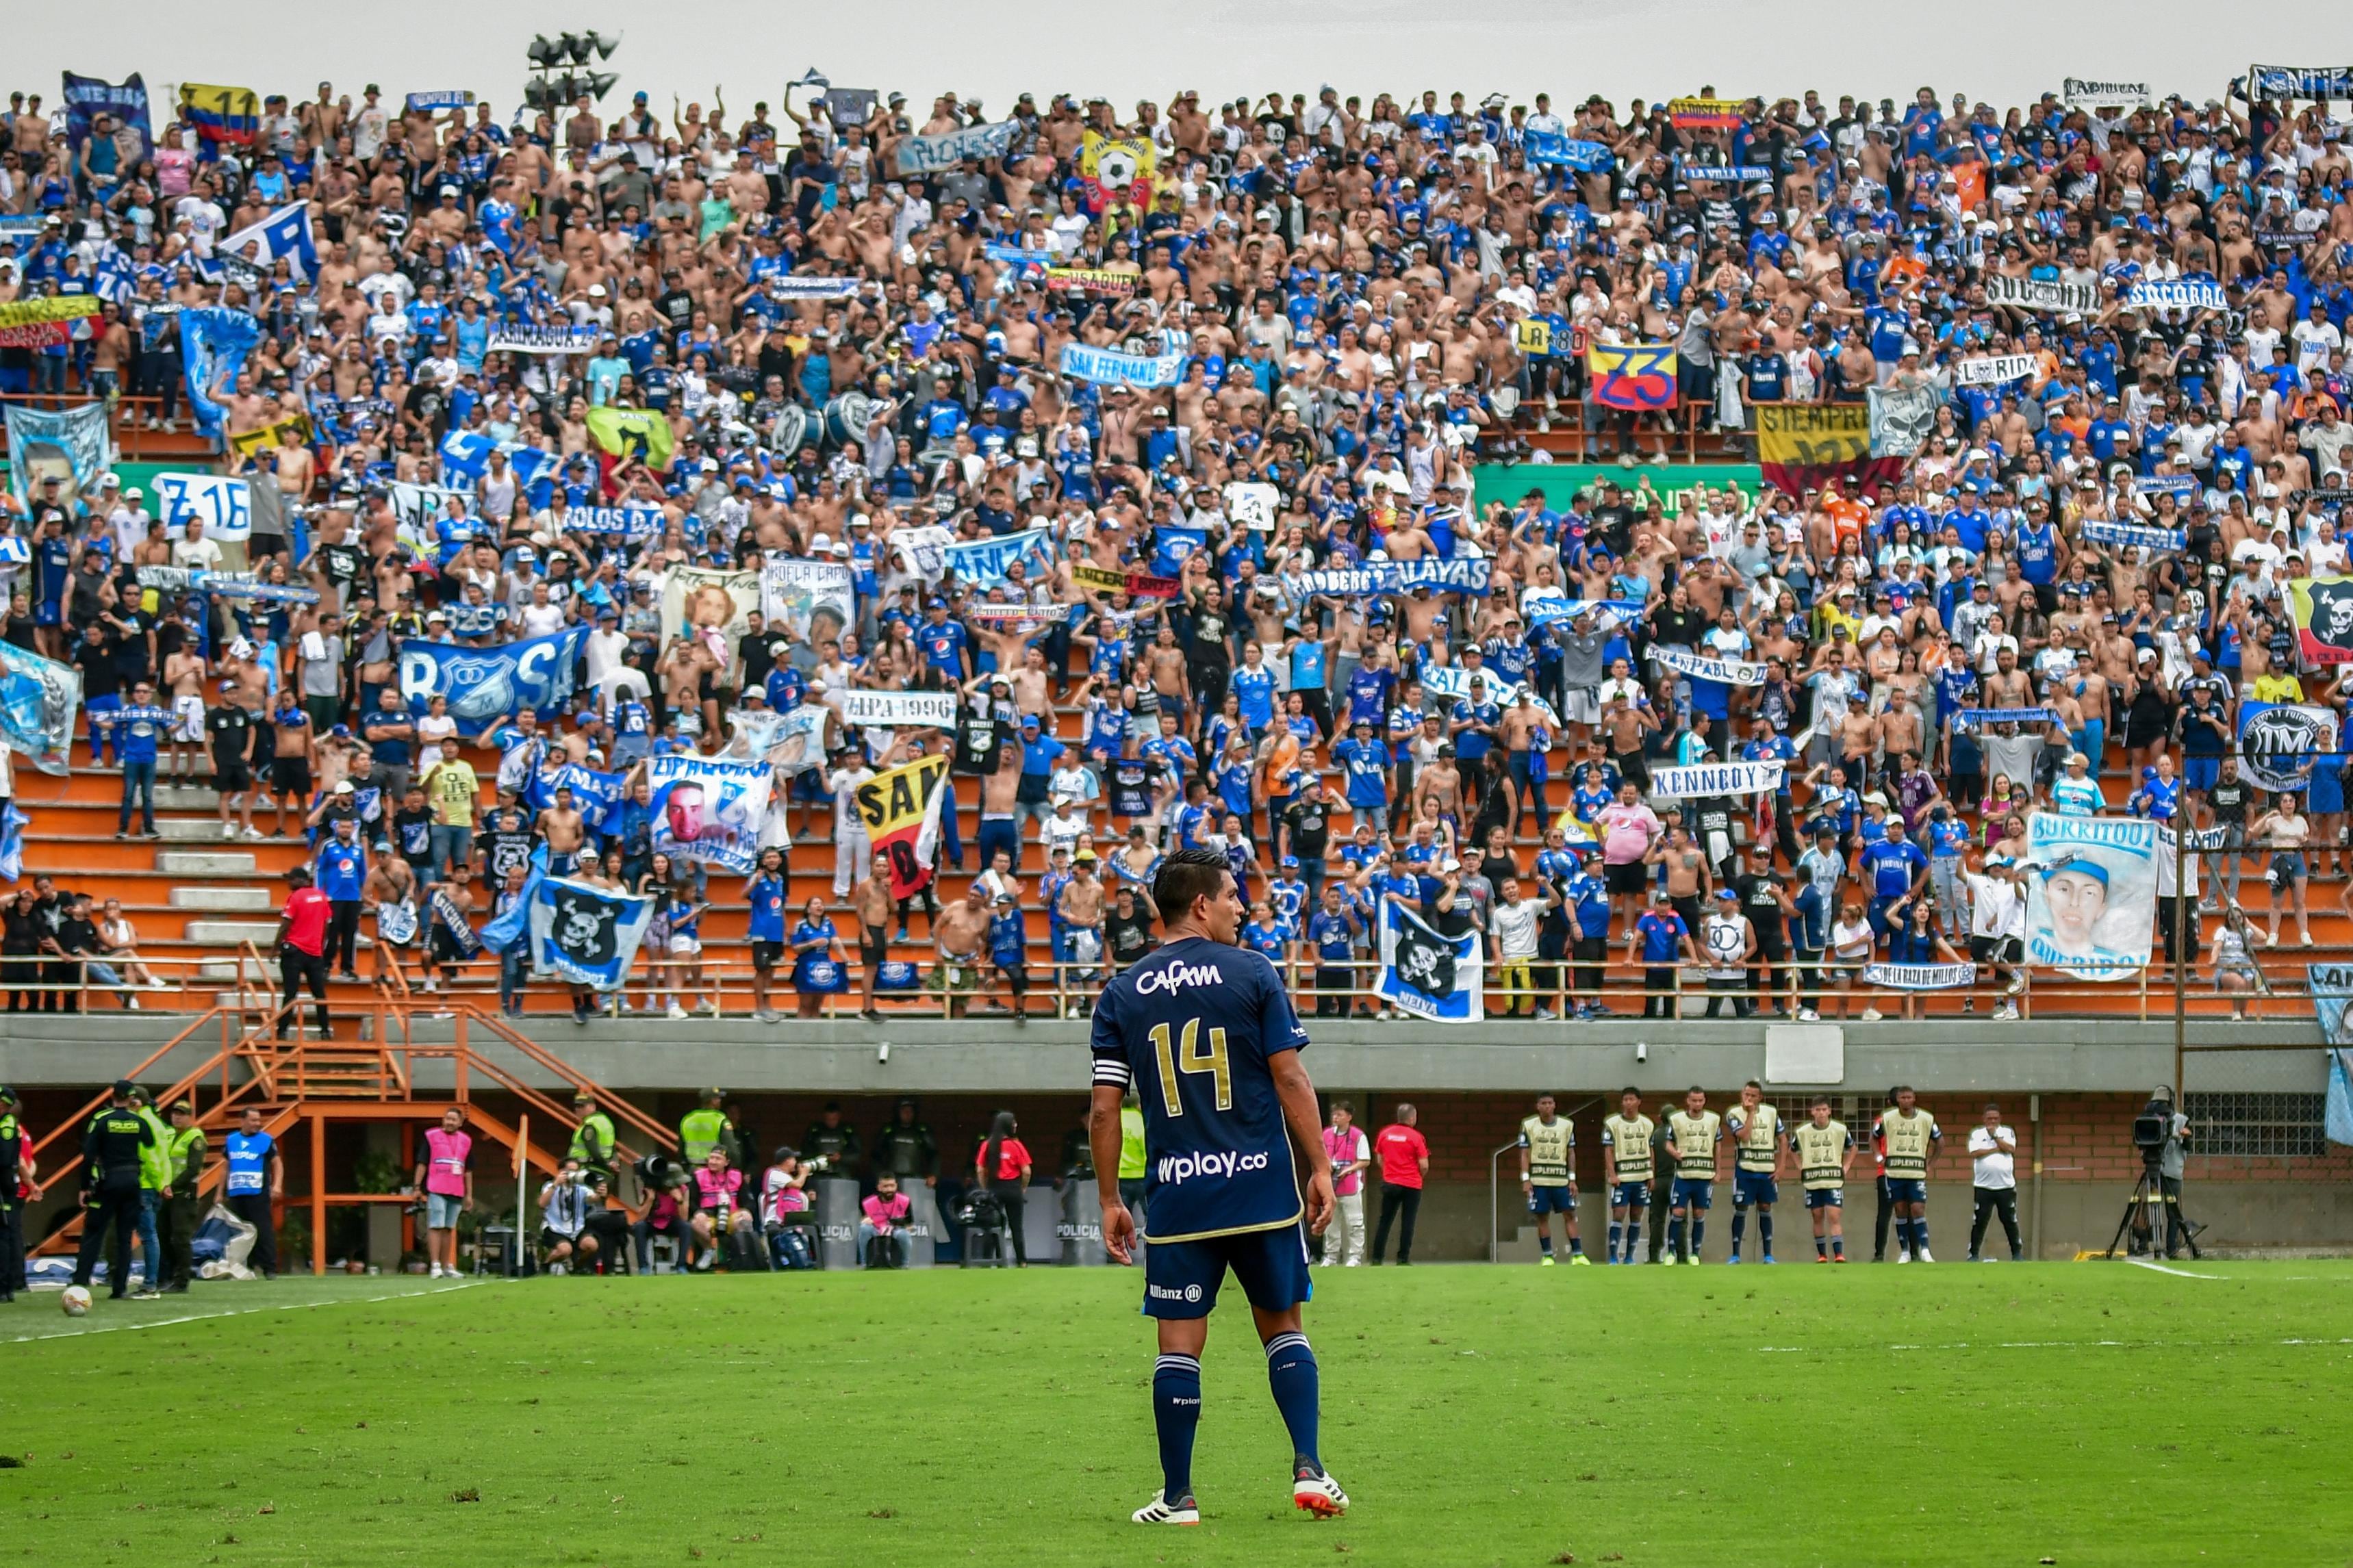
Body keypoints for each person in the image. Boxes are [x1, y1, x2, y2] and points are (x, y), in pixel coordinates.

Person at [1085, 847, 1347, 1526]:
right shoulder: (1253, 970)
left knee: (1178, 1344)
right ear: (1200, 903)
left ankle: (1177, 1496)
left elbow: (1104, 1107)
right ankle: (1309, 1469)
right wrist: (1319, 1164)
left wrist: (1111, 1197)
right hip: (1260, 1186)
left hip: (1179, 1197)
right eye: (1232, 895)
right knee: (1282, 1327)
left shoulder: (1121, 992)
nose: (1241, 906)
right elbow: (1290, 1076)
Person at [73, 1081, 155, 1300]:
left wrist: (83, 1187)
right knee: (124, 1236)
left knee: (93, 1233)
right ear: (131, 1099)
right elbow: (149, 1142)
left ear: (112, 1097)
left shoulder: (101, 1120)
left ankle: (80, 1283)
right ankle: (119, 1289)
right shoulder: (138, 1120)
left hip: (107, 1181)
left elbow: (88, 1156)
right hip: (132, 1182)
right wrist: (136, 1113)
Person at [1516, 1093, 1587, 1264]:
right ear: (1538, 1106)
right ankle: (1547, 1255)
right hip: (1539, 1180)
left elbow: (1571, 1153)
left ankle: (1578, 1254)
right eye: (1543, 1103)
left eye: (1550, 1103)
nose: (1547, 1106)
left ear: (1555, 1105)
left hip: (1561, 1179)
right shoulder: (1528, 1125)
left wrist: (1572, 1179)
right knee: (1542, 1217)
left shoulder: (1566, 1125)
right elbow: (1524, 1154)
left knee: (1570, 1214)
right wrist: (1526, 1179)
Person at [1878, 1085, 1942, 1263]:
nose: (1906, 1101)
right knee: (1900, 1210)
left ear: (1914, 1098)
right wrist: (1878, 1157)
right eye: (1902, 1098)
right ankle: (1905, 1251)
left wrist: (1931, 1163)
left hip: (1916, 1173)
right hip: (1895, 1172)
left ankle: (1925, 1249)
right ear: (1897, 1100)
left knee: (1917, 1208)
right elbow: (1873, 1137)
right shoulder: (1887, 1118)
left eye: (1909, 1097)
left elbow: (1940, 1141)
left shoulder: (1926, 1118)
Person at [1722, 1079, 1782, 1264]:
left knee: (1765, 1208)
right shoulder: (1733, 1113)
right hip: (1745, 1170)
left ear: (1760, 1098)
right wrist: (1750, 1114)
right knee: (1741, 1209)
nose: (1748, 1098)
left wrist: (1781, 1167)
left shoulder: (1771, 1112)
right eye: (1746, 1094)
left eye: (1753, 1096)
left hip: (1767, 1170)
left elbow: (1783, 1138)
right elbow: (1745, 1136)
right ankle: (1735, 1255)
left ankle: (1768, 1255)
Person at [1789, 1094, 1855, 1261]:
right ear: (1812, 1112)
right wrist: (1800, 1166)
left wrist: (1846, 1166)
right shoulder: (1802, 1131)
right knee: (1817, 1216)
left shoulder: (1840, 1129)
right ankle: (1822, 1255)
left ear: (1829, 1111)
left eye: (1824, 1110)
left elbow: (1853, 1149)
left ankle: (1839, 1254)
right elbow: (1792, 1150)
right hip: (1813, 1180)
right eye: (1818, 1110)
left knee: (1834, 1216)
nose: (1821, 1113)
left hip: (1833, 1179)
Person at [2134, 1085, 2196, 1259]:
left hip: (2172, 1172)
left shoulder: (2181, 1120)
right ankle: (2145, 1245)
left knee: (2172, 1212)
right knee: (2148, 1209)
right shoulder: (2148, 1118)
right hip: (2154, 1169)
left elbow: (2188, 1147)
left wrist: (2186, 1136)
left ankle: (2171, 1248)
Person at [1663, 1086, 1723, 1265]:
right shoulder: (1676, 1119)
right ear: (1687, 1101)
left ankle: (1695, 1254)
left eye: (1701, 1100)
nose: (1697, 1103)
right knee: (1678, 1212)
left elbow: (1718, 1146)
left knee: (1699, 1213)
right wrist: (1675, 1153)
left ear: (1704, 1101)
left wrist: (1718, 1171)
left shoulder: (1713, 1119)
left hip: (1704, 1175)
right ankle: (1671, 1253)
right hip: (1683, 1174)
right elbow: (1667, 1143)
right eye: (1694, 1100)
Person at [274, 865, 333, 1041]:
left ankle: (282, 1031)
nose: (289, 883)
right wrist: (320, 945)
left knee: (290, 993)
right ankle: (324, 1030)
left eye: (291, 879)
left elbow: (286, 924)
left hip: (294, 951)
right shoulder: (321, 896)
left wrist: (275, 948)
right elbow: (327, 924)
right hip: (314, 953)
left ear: (302, 880)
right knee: (320, 994)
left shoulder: (295, 897)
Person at [413, 1107, 473, 1279]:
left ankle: (447, 1265)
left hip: (456, 1189)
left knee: (449, 1228)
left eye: (454, 1120)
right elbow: (422, 1163)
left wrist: (469, 1194)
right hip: (436, 1187)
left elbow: (468, 1169)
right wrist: (417, 1187)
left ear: (460, 1123)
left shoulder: (466, 1141)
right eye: (447, 1119)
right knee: (436, 1225)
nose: (449, 1122)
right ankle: (435, 1265)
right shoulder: (431, 1136)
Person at [223, 1105, 281, 1278]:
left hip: (258, 1192)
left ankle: (269, 1268)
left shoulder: (266, 1140)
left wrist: (277, 1185)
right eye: (253, 1120)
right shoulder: (231, 1140)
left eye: (258, 1120)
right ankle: (243, 1266)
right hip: (236, 1192)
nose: (257, 1123)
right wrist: (220, 1193)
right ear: (242, 1121)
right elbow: (225, 1166)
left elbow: (277, 1163)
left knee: (263, 1229)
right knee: (240, 1231)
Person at [1599, 1088, 1653, 1265]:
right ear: (1622, 1103)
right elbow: (1608, 1150)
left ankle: (1630, 1256)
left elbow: (1651, 1150)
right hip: (1622, 1178)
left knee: (1637, 1216)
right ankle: (1614, 1255)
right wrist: (1612, 1174)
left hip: (1641, 1177)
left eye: (1632, 1099)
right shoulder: (1612, 1123)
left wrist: (1651, 1174)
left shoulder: (1647, 1123)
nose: (1629, 1103)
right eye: (1626, 1100)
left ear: (1639, 1102)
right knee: (1619, 1214)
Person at [1370, 1103, 1427, 1267]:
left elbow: (1380, 1159)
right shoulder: (1416, 1137)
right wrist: (1418, 1175)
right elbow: (1424, 1164)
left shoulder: (1385, 1134)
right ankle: (1403, 1258)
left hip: (1390, 1182)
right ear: (1411, 1118)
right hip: (1412, 1184)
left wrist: (1389, 1172)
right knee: (1408, 1222)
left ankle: (1377, 1258)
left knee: (1384, 1221)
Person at [1966, 1103, 2024, 1262]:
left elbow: (2010, 1149)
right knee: (1980, 1220)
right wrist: (1996, 1148)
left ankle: (2017, 1254)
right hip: (1983, 1186)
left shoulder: (2007, 1131)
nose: (1993, 1121)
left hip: (2005, 1186)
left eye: (1996, 1119)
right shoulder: (1977, 1134)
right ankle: (1974, 1254)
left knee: (2010, 1220)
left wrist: (1996, 1137)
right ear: (1984, 1119)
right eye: (1990, 1118)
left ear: (2000, 1119)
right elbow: (1976, 1152)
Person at [975, 1110, 1033, 1266]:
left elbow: (980, 1169)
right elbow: (1026, 1171)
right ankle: (1022, 1261)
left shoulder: (987, 1145)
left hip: (994, 1189)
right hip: (1013, 1189)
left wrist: (985, 1188)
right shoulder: (1016, 1145)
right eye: (1013, 1122)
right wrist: (1022, 1188)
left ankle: (991, 1260)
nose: (1016, 1125)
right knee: (1016, 1227)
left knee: (993, 1225)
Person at [1319, 1101, 1369, 1267]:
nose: (1335, 1118)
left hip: (1351, 1186)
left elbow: (1365, 1160)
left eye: (1339, 1115)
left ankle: (1355, 1256)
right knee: (1330, 1223)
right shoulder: (1326, 1135)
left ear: (1349, 1117)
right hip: (1330, 1187)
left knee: (1354, 1223)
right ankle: (1331, 1256)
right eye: (1334, 1114)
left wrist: (1348, 1170)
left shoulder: (1358, 1136)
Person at [0, 1086, 35, 1303]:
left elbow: (6, 1160)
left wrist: (29, 1183)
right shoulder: (16, 1128)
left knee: (5, 1236)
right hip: (12, 1186)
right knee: (10, 1235)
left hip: (5, 1188)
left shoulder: (7, 1127)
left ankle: (6, 1286)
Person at [539, 1159, 598, 1274]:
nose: (574, 1174)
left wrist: (600, 1193)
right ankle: (546, 1264)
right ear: (562, 1172)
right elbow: (542, 1204)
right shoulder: (550, 1186)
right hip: (555, 1227)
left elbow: (593, 1198)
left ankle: (578, 1266)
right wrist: (556, 1184)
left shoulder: (581, 1188)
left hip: (577, 1228)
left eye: (576, 1171)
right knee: (565, 1250)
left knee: (592, 1245)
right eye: (570, 1171)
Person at [859, 1172, 914, 1268]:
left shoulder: (905, 1200)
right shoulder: (868, 1202)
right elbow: (864, 1219)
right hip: (876, 1228)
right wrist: (865, 1220)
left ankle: (905, 1264)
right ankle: (865, 1263)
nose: (889, 1189)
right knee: (864, 1228)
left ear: (896, 1186)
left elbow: (910, 1223)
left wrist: (901, 1224)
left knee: (904, 1235)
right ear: (879, 1187)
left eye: (892, 1186)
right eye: (885, 1186)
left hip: (895, 1228)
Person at [567, 1090, 618, 1190]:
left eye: (582, 1107)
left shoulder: (590, 1124)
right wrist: (613, 1163)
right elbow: (612, 1147)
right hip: (602, 1170)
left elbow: (593, 1149)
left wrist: (606, 1165)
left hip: (588, 1169)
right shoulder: (605, 1121)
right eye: (577, 1107)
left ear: (592, 1107)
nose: (578, 1110)